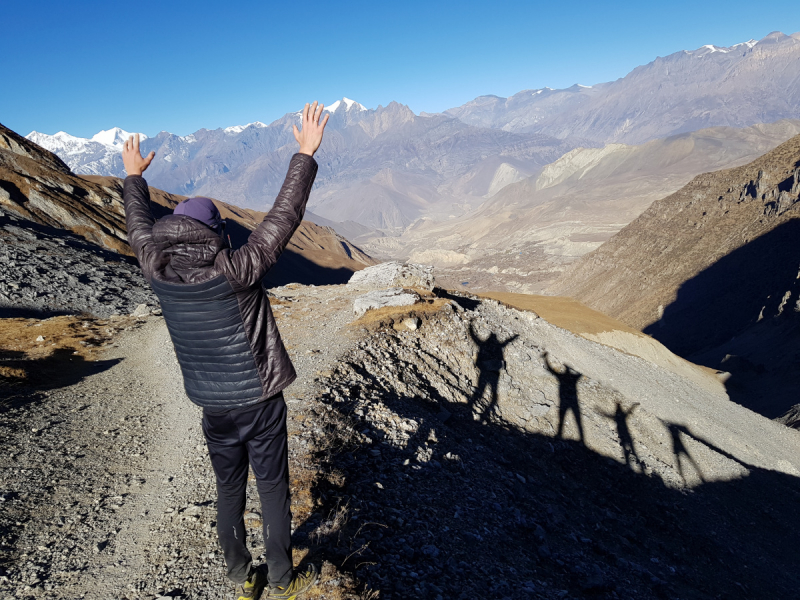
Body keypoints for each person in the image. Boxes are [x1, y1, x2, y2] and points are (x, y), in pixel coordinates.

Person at [122, 101, 329, 600]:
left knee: (229, 487)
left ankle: (240, 578)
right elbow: (283, 218)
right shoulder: (235, 269)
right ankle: (281, 580)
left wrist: (132, 178)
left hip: (212, 405)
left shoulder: (155, 266)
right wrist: (305, 152)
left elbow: (136, 226)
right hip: (258, 401)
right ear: (214, 233)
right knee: (273, 488)